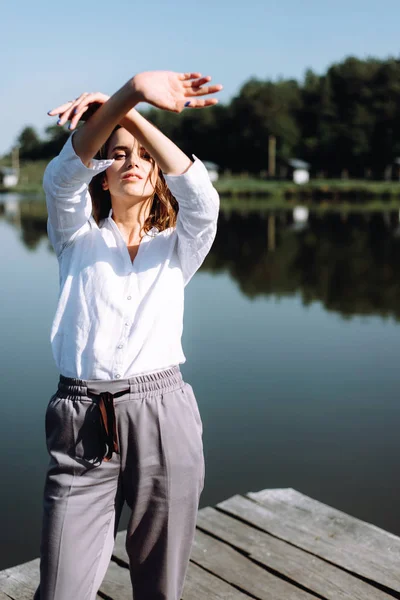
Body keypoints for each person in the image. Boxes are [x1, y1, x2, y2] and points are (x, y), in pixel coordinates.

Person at [34, 70, 223, 600]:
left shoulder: (178, 247)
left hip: (163, 411)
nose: (132, 162)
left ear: (159, 175)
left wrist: (130, 109)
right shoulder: (75, 237)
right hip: (80, 419)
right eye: (118, 153)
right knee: (60, 590)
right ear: (102, 174)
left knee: (159, 586)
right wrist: (129, 92)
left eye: (144, 156)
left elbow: (203, 201)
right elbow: (59, 178)